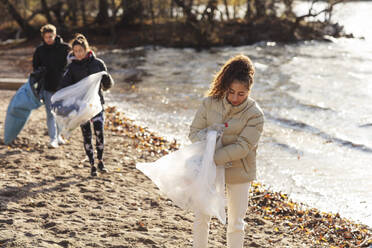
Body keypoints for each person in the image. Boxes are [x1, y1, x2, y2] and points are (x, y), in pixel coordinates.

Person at [188, 55, 264, 248]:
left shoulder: (255, 114)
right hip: (208, 169)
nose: (235, 98)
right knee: (201, 216)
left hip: (239, 172)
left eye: (241, 94)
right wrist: (209, 136)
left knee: (236, 223)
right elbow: (194, 133)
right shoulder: (209, 103)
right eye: (231, 92)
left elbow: (244, 147)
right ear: (225, 86)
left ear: (249, 90)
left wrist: (212, 158)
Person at [61, 34, 114, 176]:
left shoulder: (98, 63)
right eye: (75, 51)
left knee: (99, 133)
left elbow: (107, 85)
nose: (78, 54)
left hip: (97, 104)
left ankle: (101, 161)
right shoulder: (72, 68)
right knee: (87, 135)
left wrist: (107, 79)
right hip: (81, 107)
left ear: (86, 49)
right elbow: (65, 86)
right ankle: (92, 165)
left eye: (80, 51)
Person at [33, 24, 70, 148]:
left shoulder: (65, 48)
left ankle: (59, 136)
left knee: (61, 113)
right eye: (46, 37)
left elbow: (72, 64)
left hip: (63, 86)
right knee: (50, 113)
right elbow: (35, 67)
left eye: (51, 36)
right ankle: (53, 139)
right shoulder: (39, 50)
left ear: (55, 35)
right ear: (43, 37)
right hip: (47, 86)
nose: (49, 39)